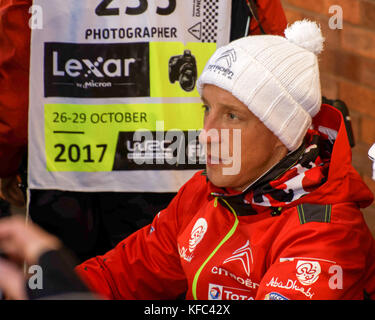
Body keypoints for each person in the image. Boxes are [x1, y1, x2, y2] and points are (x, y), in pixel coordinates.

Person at [72, 20, 375, 300]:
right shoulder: (206, 189)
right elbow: (121, 276)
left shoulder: (327, 235)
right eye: (207, 108)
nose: (206, 134)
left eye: (232, 116)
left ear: (283, 134)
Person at [0, 0, 288, 262]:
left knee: (68, 284)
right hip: (185, 164)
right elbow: (268, 51)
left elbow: (16, 49)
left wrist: (8, 157)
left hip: (71, 170)